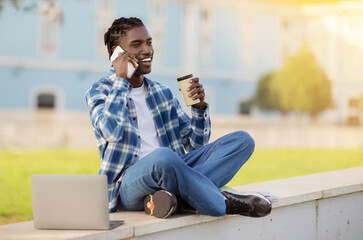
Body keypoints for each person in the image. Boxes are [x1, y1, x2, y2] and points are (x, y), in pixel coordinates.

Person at [85, 17, 271, 219]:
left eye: (149, 42)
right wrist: (121, 81)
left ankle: (172, 200)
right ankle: (222, 202)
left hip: (173, 169)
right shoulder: (99, 91)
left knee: (242, 141)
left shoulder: (160, 93)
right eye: (137, 44)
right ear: (116, 54)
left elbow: (195, 145)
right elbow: (110, 131)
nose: (147, 50)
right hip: (129, 185)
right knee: (163, 157)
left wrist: (199, 109)